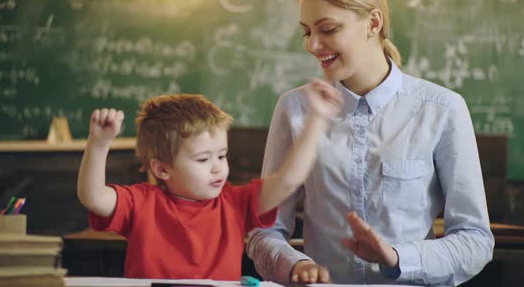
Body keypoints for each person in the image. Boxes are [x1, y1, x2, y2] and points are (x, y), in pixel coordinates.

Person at [246, 0, 494, 286]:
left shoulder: (443, 110)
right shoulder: (295, 109)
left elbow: (475, 240)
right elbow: (265, 230)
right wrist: (295, 267)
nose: (312, 45)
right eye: (307, 32)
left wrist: (397, 257)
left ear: (373, 22)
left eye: (328, 29)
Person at [76, 80, 343, 279]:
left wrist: (317, 119)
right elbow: (93, 197)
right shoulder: (141, 202)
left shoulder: (236, 203)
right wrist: (98, 146)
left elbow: (288, 180)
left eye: (222, 156)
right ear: (162, 169)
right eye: (203, 160)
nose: (217, 168)